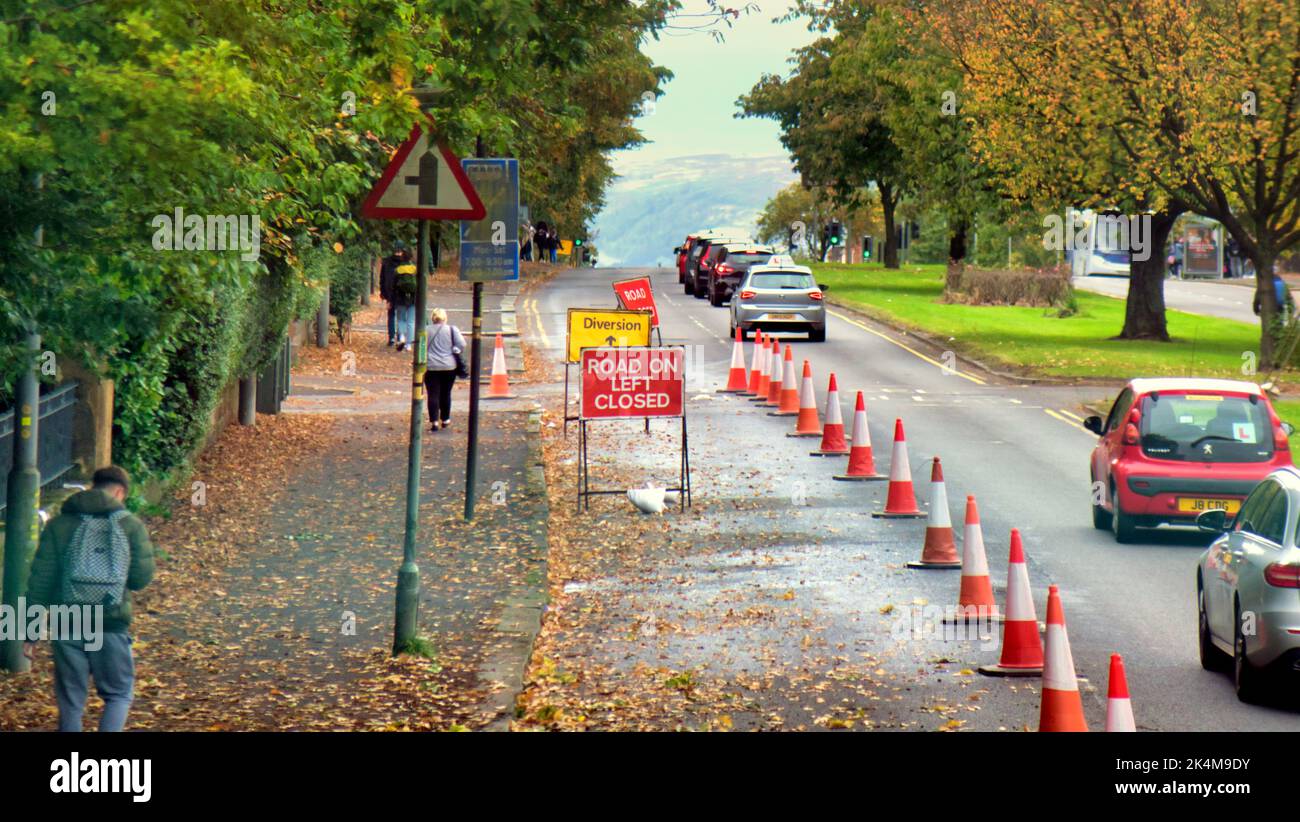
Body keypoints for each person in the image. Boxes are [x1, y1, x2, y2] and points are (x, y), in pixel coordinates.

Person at [24, 465, 155, 732]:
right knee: (118, 694)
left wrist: (29, 631)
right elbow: (141, 579)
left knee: (71, 700)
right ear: (119, 492)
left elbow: (40, 581)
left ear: (93, 486)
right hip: (111, 622)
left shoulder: (59, 524)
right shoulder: (130, 525)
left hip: (68, 622)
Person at [423, 307, 467, 431]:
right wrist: (455, 350)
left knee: (433, 394)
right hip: (449, 366)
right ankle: (446, 419)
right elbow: (462, 344)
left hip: (431, 366)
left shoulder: (426, 330)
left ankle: (434, 422)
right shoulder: (452, 330)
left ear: (432, 318)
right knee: (446, 393)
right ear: (445, 318)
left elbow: (422, 346)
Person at [379, 241, 410, 346]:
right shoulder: (406, 262)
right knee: (401, 316)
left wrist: (383, 294)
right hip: (402, 293)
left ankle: (391, 337)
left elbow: (382, 279)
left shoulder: (386, 262)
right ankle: (400, 336)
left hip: (390, 293)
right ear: (402, 250)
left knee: (391, 315)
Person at [392, 260, 418, 351]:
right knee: (410, 321)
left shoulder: (398, 270)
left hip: (400, 298)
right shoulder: (414, 269)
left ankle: (402, 337)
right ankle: (409, 345)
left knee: (401, 319)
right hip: (412, 299)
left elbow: (393, 285)